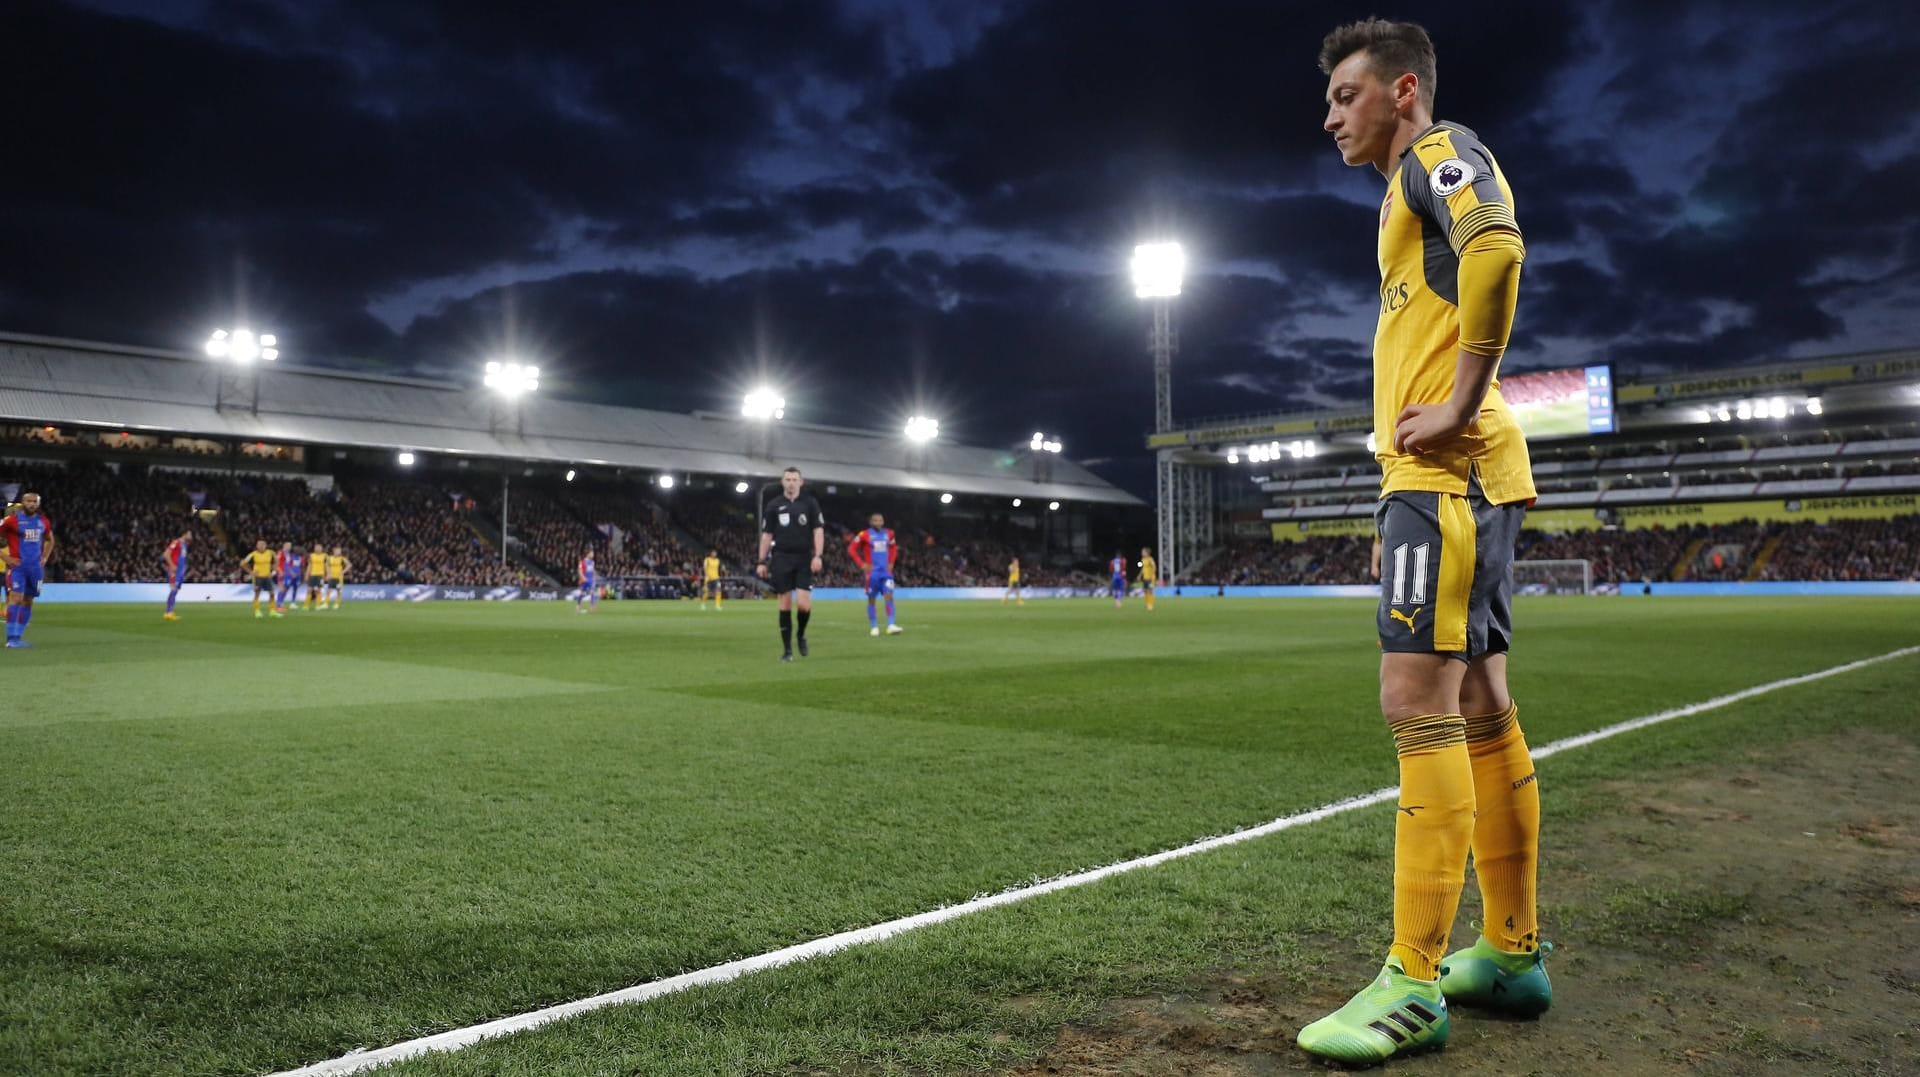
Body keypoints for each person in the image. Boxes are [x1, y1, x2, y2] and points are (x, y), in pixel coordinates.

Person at [1296, 19, 1546, 1066]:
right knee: (1482, 705)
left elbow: (1498, 245)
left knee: (1417, 707)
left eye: (1346, 95)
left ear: (1403, 92)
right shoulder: (1404, 201)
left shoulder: (1435, 158)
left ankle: (1413, 979)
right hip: (1459, 479)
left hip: (1447, 472)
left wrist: (1460, 397)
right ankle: (1513, 951)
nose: (1329, 116)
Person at [755, 466, 824, 661]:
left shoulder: (810, 503)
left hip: (803, 558)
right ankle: (787, 651)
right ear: (782, 482)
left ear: (801, 482)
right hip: (781, 558)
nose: (791, 483)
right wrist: (761, 561)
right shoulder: (774, 505)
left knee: (803, 604)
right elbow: (767, 535)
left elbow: (818, 531)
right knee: (784, 604)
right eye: (788, 479)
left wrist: (818, 555)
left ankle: (801, 634)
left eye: (795, 479)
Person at [1, 491, 54, 648]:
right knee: (15, 598)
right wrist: (6, 558)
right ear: (23, 503)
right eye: (28, 501)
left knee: (28, 601)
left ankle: (18, 637)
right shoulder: (12, 521)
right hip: (18, 568)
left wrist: (44, 558)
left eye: (34, 502)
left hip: (35, 569)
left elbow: (50, 539)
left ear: (38, 504)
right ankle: (11, 639)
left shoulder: (43, 521)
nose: (31, 504)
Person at [847, 512, 903, 636]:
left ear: (883, 522)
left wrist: (891, 562)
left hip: (886, 573)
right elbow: (851, 549)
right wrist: (861, 564)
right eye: (875, 520)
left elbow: (893, 548)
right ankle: (874, 627)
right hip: (872, 574)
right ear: (871, 522)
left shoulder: (889, 533)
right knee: (872, 600)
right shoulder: (864, 534)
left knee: (889, 596)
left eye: (880, 520)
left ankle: (891, 625)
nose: (878, 522)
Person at [241, 538, 279, 619]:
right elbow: (243, 563)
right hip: (258, 577)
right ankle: (257, 611)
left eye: (263, 544)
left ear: (266, 546)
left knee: (272, 594)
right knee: (257, 594)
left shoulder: (271, 553)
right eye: (259, 545)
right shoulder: (253, 554)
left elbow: (276, 561)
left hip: (267, 576)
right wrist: (251, 572)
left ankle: (272, 611)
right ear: (257, 546)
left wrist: (274, 571)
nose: (261, 546)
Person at [162, 529, 191, 620]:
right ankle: (168, 613)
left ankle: (170, 612)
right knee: (173, 589)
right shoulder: (176, 542)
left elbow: (181, 558)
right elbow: (166, 554)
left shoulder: (184, 545)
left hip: (180, 571)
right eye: (190, 534)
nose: (191, 536)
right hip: (174, 570)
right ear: (184, 534)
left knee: (175, 591)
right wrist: (172, 565)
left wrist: (183, 568)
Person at [274, 541, 300, 613]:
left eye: (290, 546)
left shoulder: (288, 554)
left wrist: (292, 573)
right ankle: (278, 606)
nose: (289, 547)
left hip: (287, 574)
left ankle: (281, 604)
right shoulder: (280, 553)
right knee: (282, 588)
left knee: (286, 588)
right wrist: (279, 571)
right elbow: (276, 562)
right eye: (288, 546)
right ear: (284, 546)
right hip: (281, 573)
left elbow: (289, 565)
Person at [304, 544, 327, 611]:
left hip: (320, 575)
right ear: (314, 549)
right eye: (317, 548)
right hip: (312, 575)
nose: (318, 549)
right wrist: (306, 575)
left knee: (318, 591)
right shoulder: (311, 556)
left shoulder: (325, 556)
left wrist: (328, 574)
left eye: (319, 548)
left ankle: (318, 605)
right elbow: (309, 566)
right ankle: (306, 606)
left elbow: (326, 566)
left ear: (322, 549)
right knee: (309, 590)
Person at [1138, 546, 1158, 612]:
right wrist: (1139, 575)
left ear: (1147, 553)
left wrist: (1153, 574)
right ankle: (1147, 604)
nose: (1142, 553)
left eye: (1143, 552)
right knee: (1145, 591)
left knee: (1150, 591)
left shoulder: (1150, 559)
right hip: (1145, 578)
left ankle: (1150, 605)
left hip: (1150, 578)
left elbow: (1154, 566)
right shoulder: (1143, 559)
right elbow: (1142, 568)